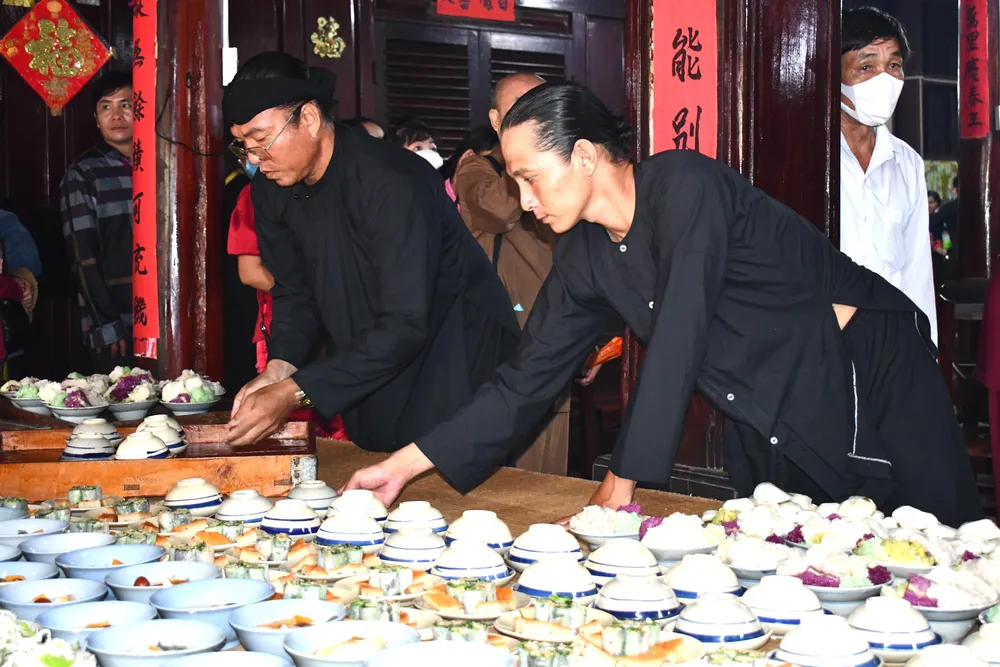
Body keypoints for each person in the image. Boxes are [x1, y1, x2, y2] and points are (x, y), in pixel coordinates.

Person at [343, 81, 982, 528]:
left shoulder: (682, 184)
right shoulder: (584, 254)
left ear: (584, 155)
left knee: (941, 553)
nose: (525, 200)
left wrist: (621, 482)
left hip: (865, 369)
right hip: (766, 404)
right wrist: (404, 465)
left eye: (530, 177)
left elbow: (680, 334)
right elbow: (523, 380)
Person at [222, 52, 520, 454]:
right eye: (243, 145)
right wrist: (279, 368)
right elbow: (294, 291)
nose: (255, 159)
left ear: (308, 119)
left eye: (261, 140)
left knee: (441, 468)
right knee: (374, 453)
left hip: (453, 350)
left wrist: (294, 392)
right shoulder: (270, 190)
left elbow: (405, 321)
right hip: (372, 351)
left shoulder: (392, 182)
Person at [452, 73, 568, 475]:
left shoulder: (562, 167)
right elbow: (500, 211)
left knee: (551, 441)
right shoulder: (476, 167)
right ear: (496, 119)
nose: (531, 115)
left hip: (557, 311)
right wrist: (521, 157)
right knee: (502, 438)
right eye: (519, 109)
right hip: (503, 321)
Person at [839, 7, 937, 344]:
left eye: (893, 65)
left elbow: (916, 271)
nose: (884, 79)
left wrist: (926, 350)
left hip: (891, 345)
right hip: (823, 344)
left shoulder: (907, 163)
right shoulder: (810, 156)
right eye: (866, 67)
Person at [60, 71, 135, 374]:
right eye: (106, 107)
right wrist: (107, 323)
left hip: (162, 320)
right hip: (115, 326)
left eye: (126, 105)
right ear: (96, 118)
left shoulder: (161, 165)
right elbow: (83, 258)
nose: (116, 115)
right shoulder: (84, 173)